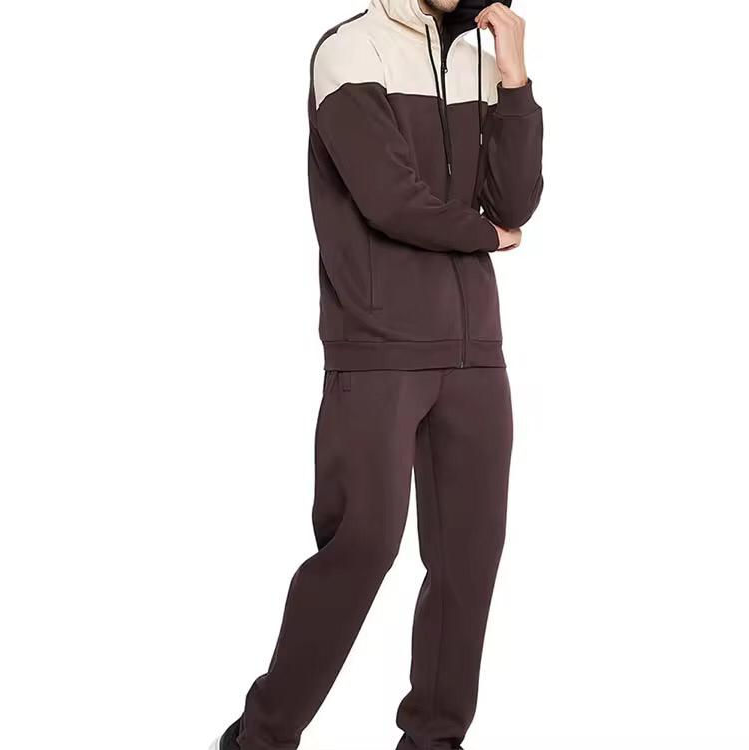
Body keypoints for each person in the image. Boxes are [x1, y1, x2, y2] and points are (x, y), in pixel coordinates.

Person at [213, 1, 543, 748]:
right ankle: (259, 738)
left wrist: (515, 78)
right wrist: (487, 235)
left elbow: (517, 198)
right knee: (361, 544)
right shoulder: (350, 51)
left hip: (475, 353)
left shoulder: (480, 61)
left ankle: (435, 739)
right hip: (378, 345)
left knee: (469, 559)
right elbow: (390, 200)